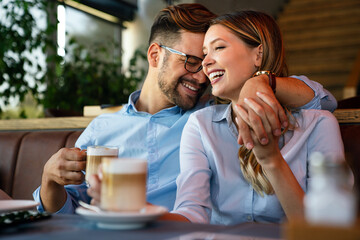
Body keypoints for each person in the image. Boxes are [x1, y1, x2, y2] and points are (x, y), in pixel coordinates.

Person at [33, 4, 337, 214]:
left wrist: (262, 82)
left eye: (212, 53)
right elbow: (68, 210)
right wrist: (49, 179)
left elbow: (321, 101)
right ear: (155, 55)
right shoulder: (102, 129)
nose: (202, 74)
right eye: (193, 60)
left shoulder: (210, 120)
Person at [167, 10, 345, 224]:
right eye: (205, 53)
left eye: (219, 47)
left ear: (258, 55)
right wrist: (151, 218)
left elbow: (326, 229)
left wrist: (272, 160)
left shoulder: (318, 124)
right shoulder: (200, 125)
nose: (205, 63)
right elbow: (191, 211)